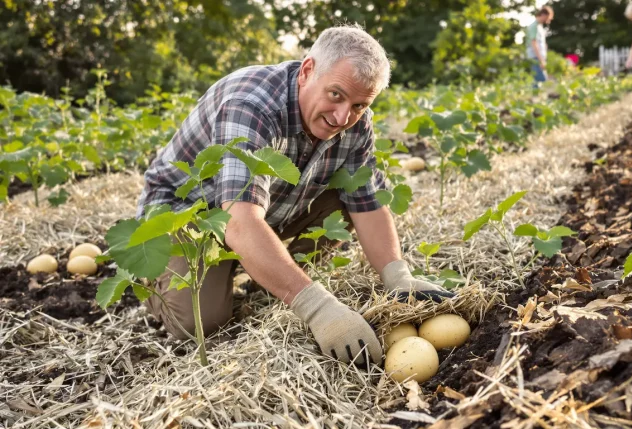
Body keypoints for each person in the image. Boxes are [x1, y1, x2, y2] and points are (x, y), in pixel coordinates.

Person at [136, 25, 454, 366]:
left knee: (344, 198)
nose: (342, 117)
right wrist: (317, 308)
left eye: (360, 105)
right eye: (336, 95)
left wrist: (398, 276)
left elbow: (368, 202)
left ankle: (269, 277)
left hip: (264, 208)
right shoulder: (252, 105)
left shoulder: (355, 121)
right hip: (190, 215)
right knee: (200, 326)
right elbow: (240, 221)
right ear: (306, 71)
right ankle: (160, 277)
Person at [526, 6, 554, 86]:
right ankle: (538, 97)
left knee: (537, 82)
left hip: (539, 57)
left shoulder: (539, 27)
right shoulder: (533, 26)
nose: (548, 20)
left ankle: (537, 97)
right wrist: (541, 59)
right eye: (547, 18)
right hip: (536, 57)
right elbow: (534, 44)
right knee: (542, 80)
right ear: (543, 15)